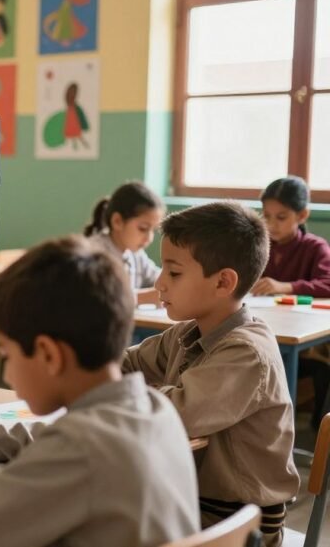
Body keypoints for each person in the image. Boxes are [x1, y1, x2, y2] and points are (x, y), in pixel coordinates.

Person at [0, 235, 199, 547]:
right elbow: (53, 439)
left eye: (9, 356)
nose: (9, 376)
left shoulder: (80, 449)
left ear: (49, 355)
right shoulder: (153, 408)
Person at [124, 202, 300, 547]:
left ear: (223, 282)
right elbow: (127, 363)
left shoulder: (246, 353)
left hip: (238, 521)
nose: (159, 283)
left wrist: (100, 390)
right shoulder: (188, 332)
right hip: (196, 499)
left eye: (173, 273)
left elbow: (175, 413)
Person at [253, 176, 330, 432]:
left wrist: (286, 287)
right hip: (261, 333)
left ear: (303, 215)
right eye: (266, 215)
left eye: (281, 217)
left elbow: (328, 284)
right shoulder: (258, 245)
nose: (271, 224)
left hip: (299, 342)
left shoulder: (315, 247)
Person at [83, 181, 164, 305]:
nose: (150, 238)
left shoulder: (136, 254)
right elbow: (102, 298)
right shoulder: (94, 254)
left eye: (153, 230)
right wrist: (146, 297)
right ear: (117, 221)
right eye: (143, 228)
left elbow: (159, 279)